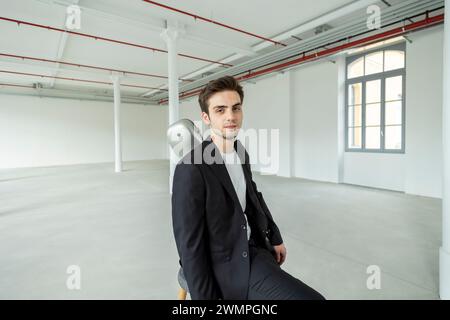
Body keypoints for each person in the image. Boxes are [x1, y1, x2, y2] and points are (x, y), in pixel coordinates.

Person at [171, 76, 325, 300]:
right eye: (220, 110)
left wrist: (274, 236)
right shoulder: (191, 167)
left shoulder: (239, 152)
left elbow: (253, 197)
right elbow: (189, 245)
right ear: (206, 117)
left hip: (254, 247)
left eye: (236, 108)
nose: (231, 116)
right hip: (226, 265)